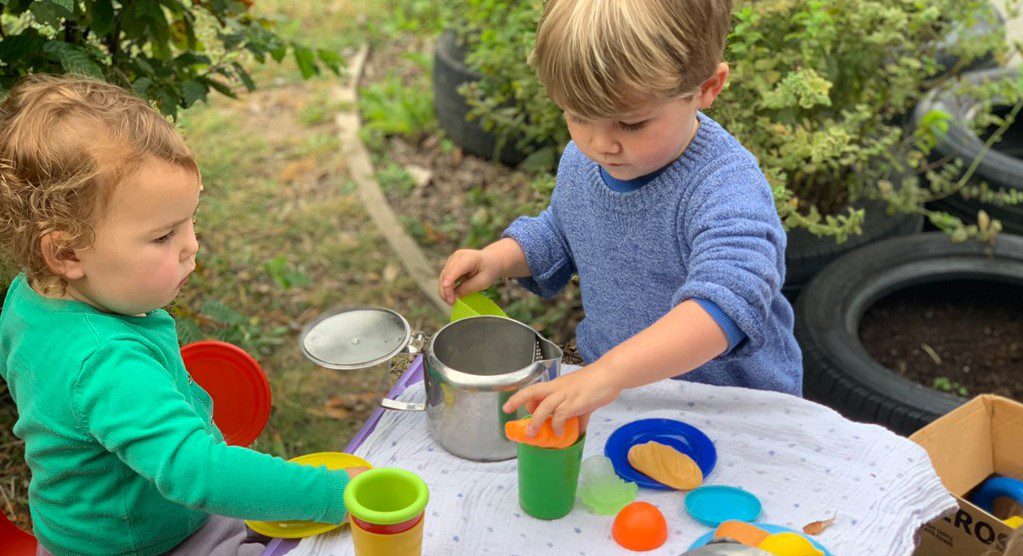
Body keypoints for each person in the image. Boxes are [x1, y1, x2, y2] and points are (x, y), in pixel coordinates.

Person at [0, 75, 363, 555]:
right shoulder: (108, 361)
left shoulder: (29, 297)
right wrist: (337, 495)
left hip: (86, 535)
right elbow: (198, 472)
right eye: (163, 235)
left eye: (191, 220)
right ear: (67, 254)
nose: (192, 244)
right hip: (151, 545)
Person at [438, 0, 802, 436]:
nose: (601, 144)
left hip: (730, 411)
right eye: (577, 116)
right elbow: (563, 230)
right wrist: (498, 259)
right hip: (621, 394)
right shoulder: (585, 159)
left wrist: (609, 373)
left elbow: (722, 308)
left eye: (631, 124)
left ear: (707, 88)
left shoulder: (725, 189)